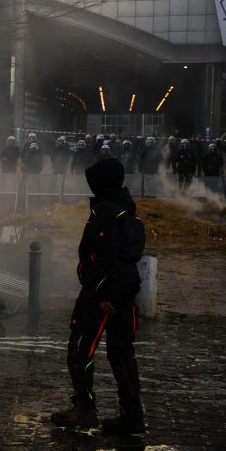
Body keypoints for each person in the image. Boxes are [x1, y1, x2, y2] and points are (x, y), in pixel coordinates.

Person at [51, 158, 146, 434]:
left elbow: (105, 257)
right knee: (122, 354)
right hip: (126, 291)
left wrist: (103, 293)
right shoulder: (127, 211)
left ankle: (84, 408)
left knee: (80, 349)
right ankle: (132, 415)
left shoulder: (105, 212)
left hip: (102, 295)